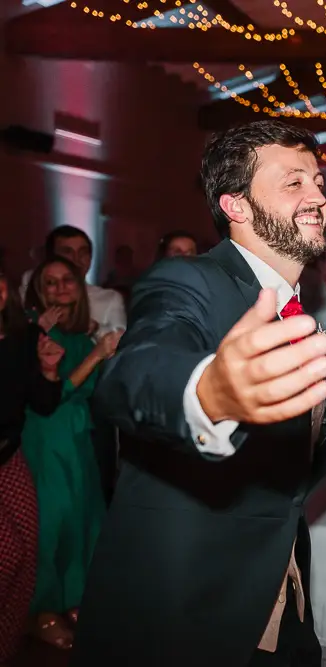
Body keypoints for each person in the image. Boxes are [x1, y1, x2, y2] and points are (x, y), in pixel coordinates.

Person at [71, 120, 326, 667]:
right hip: (187, 609)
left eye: (317, 182)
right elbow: (134, 374)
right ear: (236, 206)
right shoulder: (188, 281)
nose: (317, 197)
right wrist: (208, 393)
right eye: (293, 183)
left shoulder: (291, 305)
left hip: (279, 593)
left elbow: (306, 418)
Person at [22, 256, 120, 650]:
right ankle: (41, 609)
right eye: (50, 283)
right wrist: (98, 355)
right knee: (51, 523)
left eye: (67, 281)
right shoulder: (32, 336)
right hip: (46, 437)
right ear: (39, 292)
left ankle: (75, 599)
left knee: (84, 517)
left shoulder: (81, 336)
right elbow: (54, 394)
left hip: (78, 435)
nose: (60, 288)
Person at [0, 266, 63, 660]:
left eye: (0, 288)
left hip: (10, 458)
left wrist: (49, 370)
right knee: (6, 557)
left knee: (25, 555)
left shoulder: (21, 341)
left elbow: (42, 403)